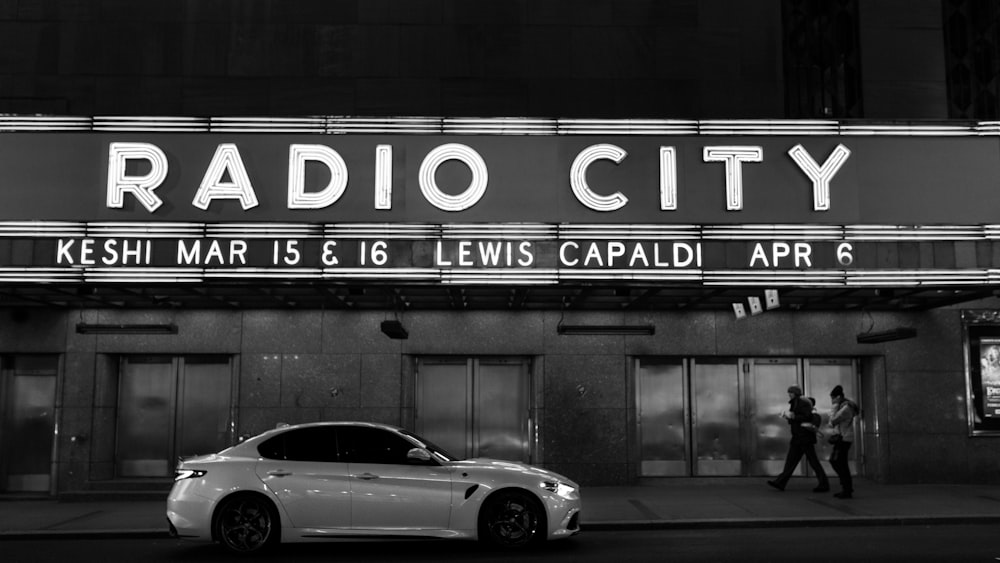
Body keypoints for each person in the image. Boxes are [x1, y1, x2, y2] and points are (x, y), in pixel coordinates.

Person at [767, 385, 829, 492]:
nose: (789, 395)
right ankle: (780, 482)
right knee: (792, 461)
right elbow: (797, 418)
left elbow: (806, 416)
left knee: (811, 461)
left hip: (804, 438)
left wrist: (793, 417)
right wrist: (789, 417)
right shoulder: (795, 403)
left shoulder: (802, 403)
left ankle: (824, 484)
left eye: (790, 393)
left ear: (795, 393)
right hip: (798, 437)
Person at [828, 384, 859, 499]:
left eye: (833, 398)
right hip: (843, 438)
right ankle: (846, 487)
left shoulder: (845, 408)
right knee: (838, 462)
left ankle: (847, 488)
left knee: (838, 462)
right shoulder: (844, 406)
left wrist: (834, 408)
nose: (831, 401)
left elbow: (832, 421)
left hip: (844, 439)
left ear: (839, 397)